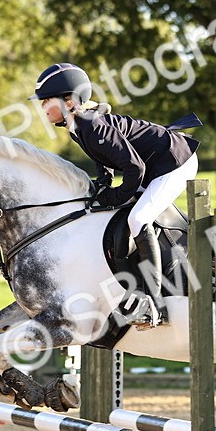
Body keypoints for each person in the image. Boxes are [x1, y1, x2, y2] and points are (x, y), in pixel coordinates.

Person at [33, 63, 200, 329]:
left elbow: (135, 167)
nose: (42, 108)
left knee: (138, 219)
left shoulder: (91, 124)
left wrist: (116, 196)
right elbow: (105, 157)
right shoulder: (78, 125)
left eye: (46, 101)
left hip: (174, 161)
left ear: (68, 101)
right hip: (154, 163)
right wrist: (105, 180)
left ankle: (155, 305)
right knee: (121, 217)